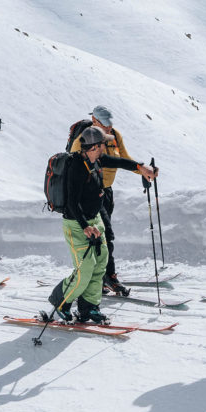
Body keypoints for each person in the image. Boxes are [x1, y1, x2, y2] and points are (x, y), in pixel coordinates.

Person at [47, 126, 157, 324]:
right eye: (103, 144)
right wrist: (85, 226)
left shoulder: (96, 160)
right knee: (85, 268)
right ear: (94, 147)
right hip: (77, 225)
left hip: (95, 221)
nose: (106, 147)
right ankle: (61, 301)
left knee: (100, 263)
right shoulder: (76, 167)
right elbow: (72, 202)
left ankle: (89, 307)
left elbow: (119, 162)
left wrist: (141, 168)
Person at [66, 105, 142, 296]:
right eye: (105, 123)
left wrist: (142, 170)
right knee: (106, 235)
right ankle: (106, 276)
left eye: (110, 123)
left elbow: (122, 159)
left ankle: (99, 277)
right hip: (89, 195)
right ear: (95, 121)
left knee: (103, 236)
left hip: (105, 192)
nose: (109, 127)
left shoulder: (114, 135)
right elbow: (75, 167)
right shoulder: (85, 141)